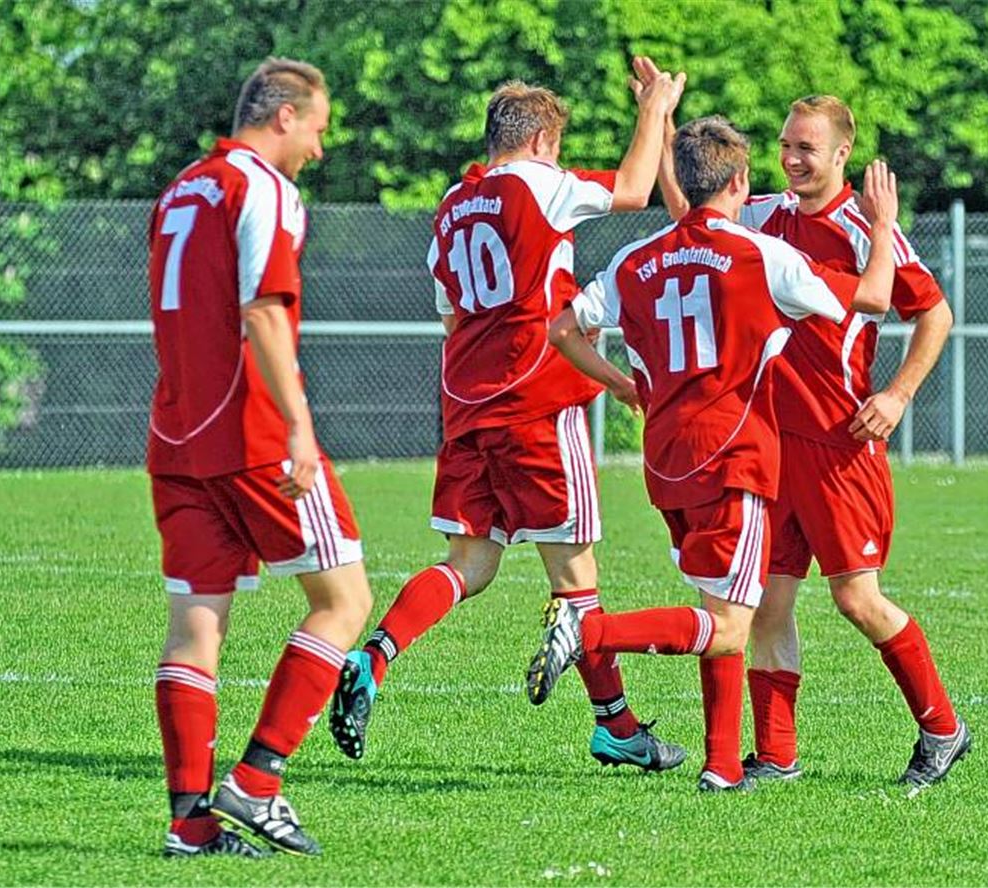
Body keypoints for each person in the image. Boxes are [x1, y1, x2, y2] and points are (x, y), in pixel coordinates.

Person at [328, 69, 689, 772]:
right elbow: (633, 188)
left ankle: (374, 656)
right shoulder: (540, 183)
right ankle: (615, 727)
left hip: (469, 407)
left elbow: (452, 317)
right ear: (543, 139)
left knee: (469, 564)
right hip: (537, 401)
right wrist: (653, 109)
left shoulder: (451, 206)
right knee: (575, 578)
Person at [529, 115, 899, 792]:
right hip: (733, 456)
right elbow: (873, 296)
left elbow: (562, 329)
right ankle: (589, 634)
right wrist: (882, 226)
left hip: (665, 463)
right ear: (739, 181)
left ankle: (723, 767)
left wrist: (620, 384)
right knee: (728, 626)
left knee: (718, 608)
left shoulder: (635, 258)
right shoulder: (761, 255)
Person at [648, 77, 969, 790]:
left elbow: (934, 312)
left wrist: (897, 394)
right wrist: (663, 123)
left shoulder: (865, 228)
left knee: (857, 600)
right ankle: (778, 755)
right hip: (768, 446)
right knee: (768, 602)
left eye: (807, 148)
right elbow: (692, 214)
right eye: (786, 145)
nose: (792, 158)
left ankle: (943, 728)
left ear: (842, 154)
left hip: (838, 445)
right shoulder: (764, 215)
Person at [148, 57, 372, 858]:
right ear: (284, 116)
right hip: (252, 436)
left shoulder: (182, 189)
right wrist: (299, 426)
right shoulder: (263, 188)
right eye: (317, 128)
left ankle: (190, 824)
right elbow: (264, 310)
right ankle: (258, 781)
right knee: (344, 599)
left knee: (195, 625)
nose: (319, 148)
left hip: (177, 437)